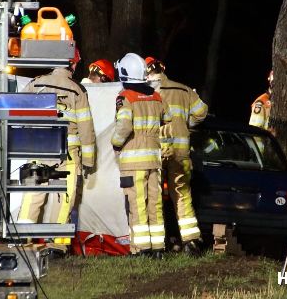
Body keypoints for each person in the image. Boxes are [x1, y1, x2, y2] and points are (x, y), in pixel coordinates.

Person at [17, 47, 96, 251]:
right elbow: (86, 129)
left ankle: (22, 241)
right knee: (64, 198)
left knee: (32, 196)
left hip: (37, 150)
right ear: (74, 64)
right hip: (67, 155)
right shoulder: (77, 90)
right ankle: (57, 245)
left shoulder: (36, 83)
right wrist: (88, 161)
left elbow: (17, 113)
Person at [145, 56, 208, 255]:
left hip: (155, 152)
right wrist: (184, 124)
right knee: (182, 195)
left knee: (153, 197)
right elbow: (201, 113)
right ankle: (191, 242)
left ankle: (158, 244)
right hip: (180, 153)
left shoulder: (143, 92)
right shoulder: (183, 90)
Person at [111, 53, 172, 258]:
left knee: (136, 204)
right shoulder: (156, 96)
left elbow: (124, 126)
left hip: (133, 162)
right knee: (154, 203)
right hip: (154, 161)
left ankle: (140, 249)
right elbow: (168, 117)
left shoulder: (125, 96)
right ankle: (158, 248)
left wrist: (116, 143)